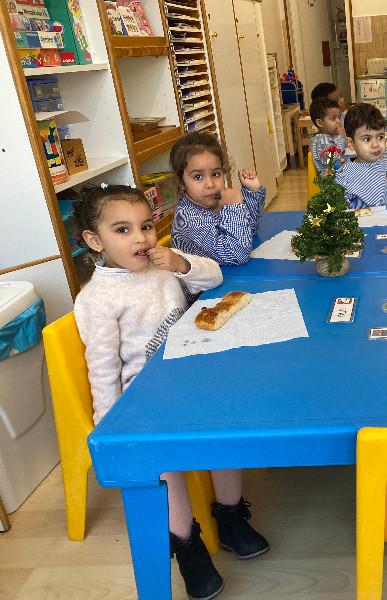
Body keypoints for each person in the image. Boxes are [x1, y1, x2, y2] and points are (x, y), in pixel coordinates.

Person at [73, 185, 269, 600]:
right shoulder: (97, 298)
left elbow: (214, 276)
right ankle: (186, 543)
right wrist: (113, 427)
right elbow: (102, 368)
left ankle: (230, 516)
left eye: (145, 226)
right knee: (164, 463)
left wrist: (180, 262)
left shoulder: (162, 266)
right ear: (94, 240)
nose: (140, 238)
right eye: (122, 230)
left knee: (227, 428)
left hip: (191, 374)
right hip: (146, 396)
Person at [170, 132, 265, 266]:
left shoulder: (216, 200)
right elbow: (237, 255)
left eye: (215, 174)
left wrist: (252, 192)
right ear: (181, 182)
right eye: (198, 177)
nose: (210, 184)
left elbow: (250, 229)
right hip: (203, 280)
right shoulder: (187, 218)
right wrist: (234, 208)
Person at [309, 96, 346, 174]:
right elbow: (331, 161)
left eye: (338, 117)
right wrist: (342, 139)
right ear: (320, 123)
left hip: (339, 174)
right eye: (333, 118)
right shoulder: (319, 141)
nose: (338, 121)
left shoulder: (331, 136)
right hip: (331, 179)